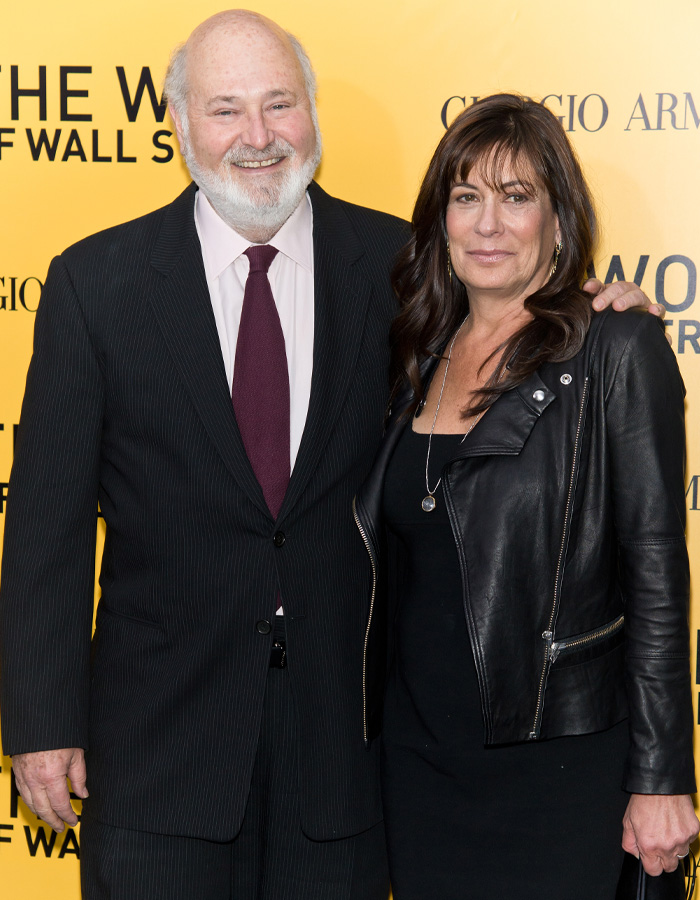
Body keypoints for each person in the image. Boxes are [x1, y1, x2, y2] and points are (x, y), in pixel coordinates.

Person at [0, 12, 658, 899]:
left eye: (280, 104)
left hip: (345, 771)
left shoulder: (400, 265)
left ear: (313, 112)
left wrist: (595, 307)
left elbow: (514, 311)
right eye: (226, 109)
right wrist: (41, 723)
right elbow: (47, 526)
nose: (259, 136)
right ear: (180, 125)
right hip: (158, 763)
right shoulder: (95, 283)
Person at [354, 93, 698, 900]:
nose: (487, 224)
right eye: (465, 196)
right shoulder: (413, 351)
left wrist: (662, 778)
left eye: (516, 198)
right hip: (419, 766)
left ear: (558, 219)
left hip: (563, 768)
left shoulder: (615, 347)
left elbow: (656, 574)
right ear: (439, 220)